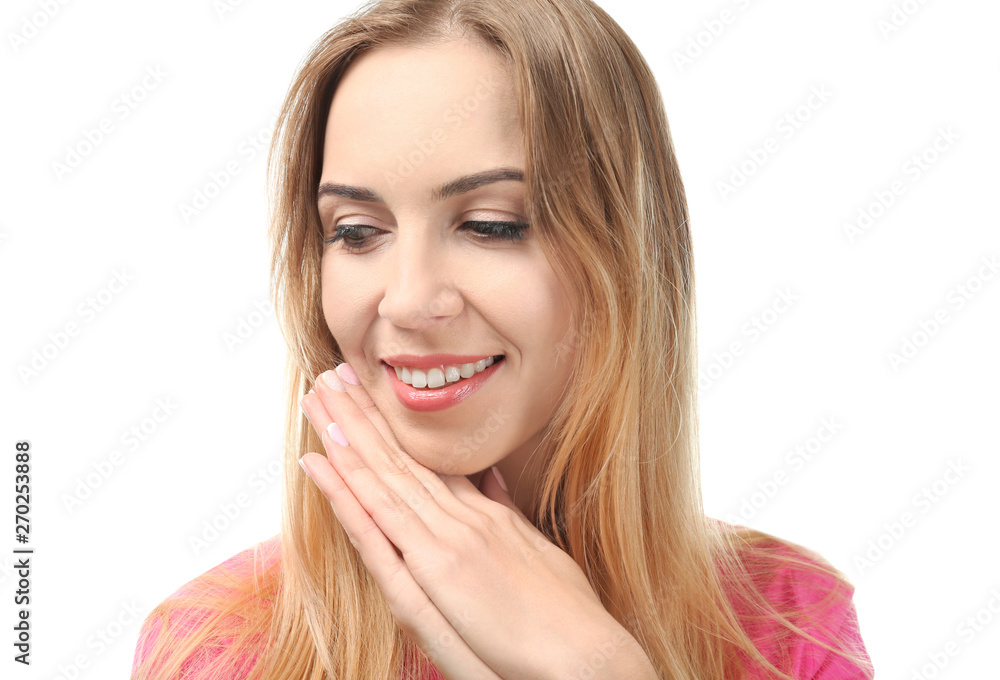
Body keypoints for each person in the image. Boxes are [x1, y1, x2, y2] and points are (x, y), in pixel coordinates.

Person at [131, 0, 874, 678]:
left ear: (625, 254)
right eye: (356, 233)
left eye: (491, 226)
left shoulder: (791, 623)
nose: (409, 299)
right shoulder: (211, 646)